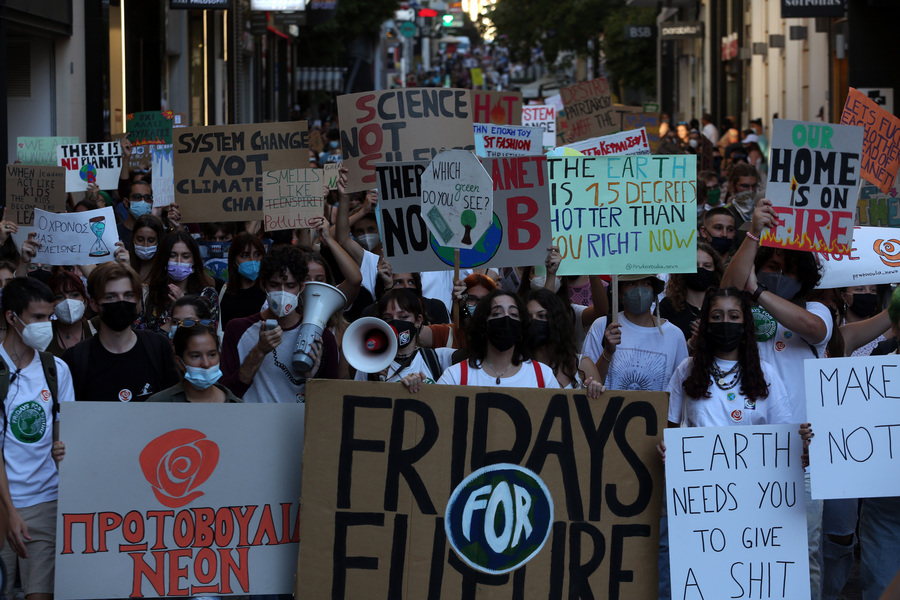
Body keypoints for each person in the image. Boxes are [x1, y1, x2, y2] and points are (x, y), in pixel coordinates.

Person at [721, 196, 832, 600]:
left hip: (800, 455)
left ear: (801, 276)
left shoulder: (817, 308)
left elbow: (814, 329)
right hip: (744, 451)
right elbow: (728, 288)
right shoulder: (739, 310)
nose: (777, 276)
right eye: (770, 268)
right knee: (744, 553)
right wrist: (752, 234)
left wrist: (760, 291)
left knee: (805, 553)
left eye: (786, 272)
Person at [0, 278, 74, 600]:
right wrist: (10, 511)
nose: (46, 325)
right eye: (37, 318)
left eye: (49, 317)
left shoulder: (56, 370)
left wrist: (63, 449)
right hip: (3, 505)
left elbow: (65, 433)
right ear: (11, 318)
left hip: (46, 501)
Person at [220, 245, 338, 403]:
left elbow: (330, 402)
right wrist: (259, 352)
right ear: (263, 285)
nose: (282, 293)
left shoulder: (322, 337)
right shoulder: (237, 329)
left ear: (301, 287)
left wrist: (311, 378)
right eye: (275, 285)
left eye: (290, 286)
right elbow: (226, 394)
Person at [62, 262, 180, 402]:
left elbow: (175, 408)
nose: (121, 302)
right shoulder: (75, 358)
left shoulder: (159, 348)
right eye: (111, 297)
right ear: (94, 304)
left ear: (137, 300)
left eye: (128, 295)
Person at [412, 290, 559, 388]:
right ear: (483, 325)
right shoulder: (455, 377)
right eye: (496, 314)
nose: (506, 318)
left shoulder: (543, 377)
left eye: (513, 314)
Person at [582, 274, 688, 392]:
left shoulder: (674, 335)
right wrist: (607, 353)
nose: (639, 290)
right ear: (620, 293)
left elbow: (681, 389)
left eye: (646, 284)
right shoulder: (602, 326)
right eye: (631, 284)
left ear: (654, 293)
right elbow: (586, 384)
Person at [355, 288, 453, 383]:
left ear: (418, 321)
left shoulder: (438, 358)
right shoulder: (369, 364)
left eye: (403, 317)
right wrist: (375, 382)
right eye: (388, 318)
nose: (395, 322)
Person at [525, 288, 603, 396]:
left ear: (557, 321)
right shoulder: (517, 367)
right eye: (529, 318)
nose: (534, 322)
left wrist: (594, 393)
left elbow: (599, 410)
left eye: (542, 316)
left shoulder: (583, 366)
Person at [142, 231, 220, 334]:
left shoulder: (207, 294)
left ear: (193, 261)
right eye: (173, 256)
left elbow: (209, 333)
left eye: (185, 256)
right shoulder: (149, 294)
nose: (179, 261)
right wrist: (174, 320)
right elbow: (147, 338)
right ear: (164, 259)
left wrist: (185, 305)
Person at [148, 325, 241, 403]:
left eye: (212, 355)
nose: (206, 363)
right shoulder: (158, 404)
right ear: (179, 362)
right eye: (196, 356)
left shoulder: (237, 406)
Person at [660, 243, 724, 342]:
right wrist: (692, 343)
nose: (701, 269)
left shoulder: (723, 306)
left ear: (715, 270)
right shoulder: (667, 306)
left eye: (707, 266)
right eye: (695, 265)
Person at [220, 232, 267, 328]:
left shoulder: (269, 292)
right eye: (245, 255)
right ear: (234, 260)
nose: (252, 260)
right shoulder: (223, 291)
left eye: (257, 254)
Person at [46, 271, 94, 358]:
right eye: (59, 297)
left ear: (85, 301)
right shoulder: (42, 333)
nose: (68, 302)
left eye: (74, 295)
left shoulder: (98, 327)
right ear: (51, 304)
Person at [129, 214, 166, 284]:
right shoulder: (126, 264)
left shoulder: (165, 268)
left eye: (151, 241)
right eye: (140, 240)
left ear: (159, 240)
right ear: (133, 238)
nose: (145, 245)